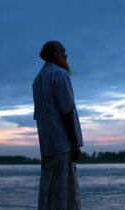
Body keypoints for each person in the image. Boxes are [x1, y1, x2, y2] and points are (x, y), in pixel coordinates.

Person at [32, 40, 84, 210]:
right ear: (55, 54)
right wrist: (75, 143)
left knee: (49, 195)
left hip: (47, 146)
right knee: (66, 198)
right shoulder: (59, 75)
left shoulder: (38, 80)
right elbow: (67, 111)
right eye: (63, 52)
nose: (66, 56)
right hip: (62, 145)